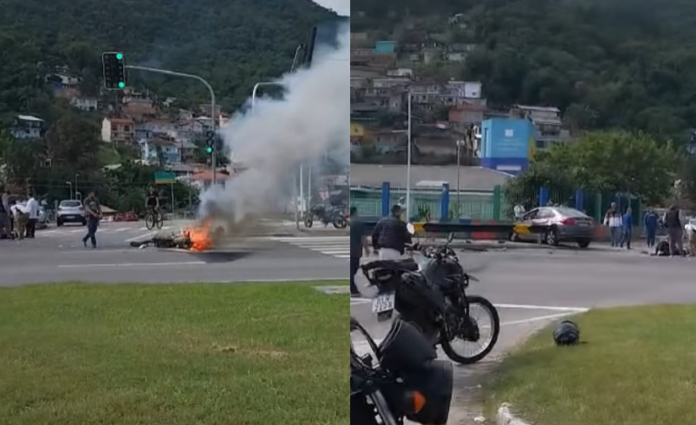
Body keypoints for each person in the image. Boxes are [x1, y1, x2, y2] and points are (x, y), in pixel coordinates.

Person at [349, 207, 370, 297]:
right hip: (355, 250)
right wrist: (367, 248)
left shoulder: (349, 222)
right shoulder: (358, 223)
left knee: (351, 270)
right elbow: (363, 238)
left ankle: (353, 288)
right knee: (353, 271)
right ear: (355, 212)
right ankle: (353, 289)